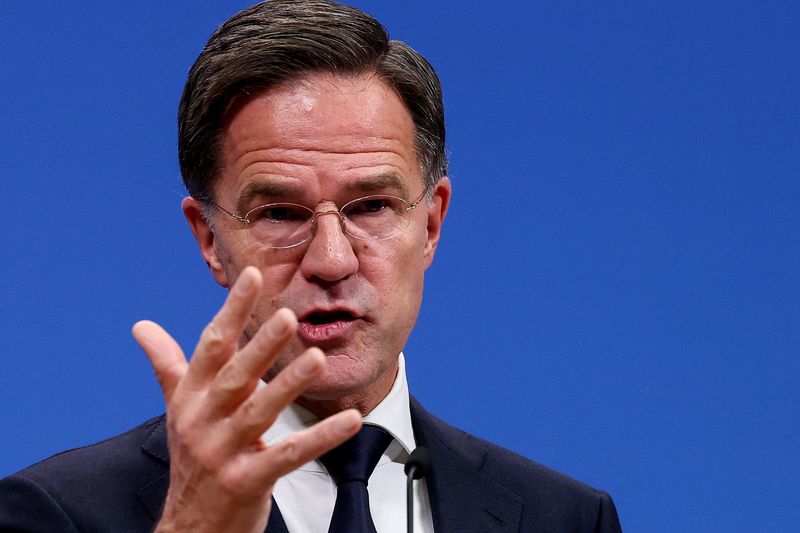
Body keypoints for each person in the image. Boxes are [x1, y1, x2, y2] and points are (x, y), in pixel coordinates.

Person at [0, 1, 622, 531]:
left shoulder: (564, 517)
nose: (331, 260)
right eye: (279, 214)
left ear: (430, 225)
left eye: (372, 206)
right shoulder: (59, 512)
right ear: (210, 239)